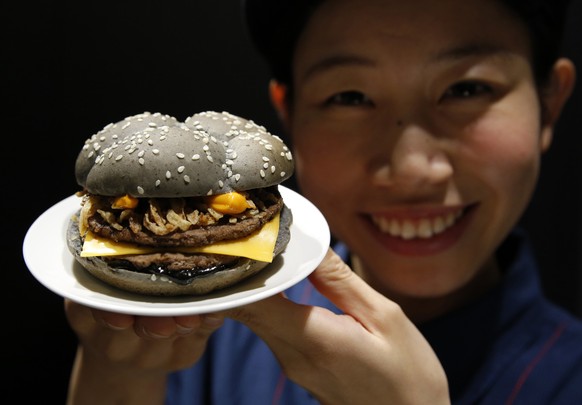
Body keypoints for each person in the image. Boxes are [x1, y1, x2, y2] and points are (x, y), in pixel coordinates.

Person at [64, 0, 582, 404]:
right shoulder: (200, 321)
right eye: (349, 97)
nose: (412, 169)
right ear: (289, 115)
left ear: (549, 103)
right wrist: (118, 369)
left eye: (467, 88)